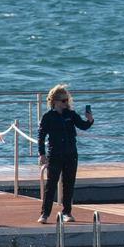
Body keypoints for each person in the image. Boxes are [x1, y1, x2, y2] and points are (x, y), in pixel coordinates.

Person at [37, 84, 94, 224]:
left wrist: (90, 120)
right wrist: (42, 154)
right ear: (55, 101)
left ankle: (67, 212)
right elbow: (41, 136)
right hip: (55, 154)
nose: (66, 103)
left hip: (71, 154)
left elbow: (83, 126)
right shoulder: (48, 117)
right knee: (51, 185)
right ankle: (45, 214)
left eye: (67, 100)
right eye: (63, 101)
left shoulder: (71, 114)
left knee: (69, 184)